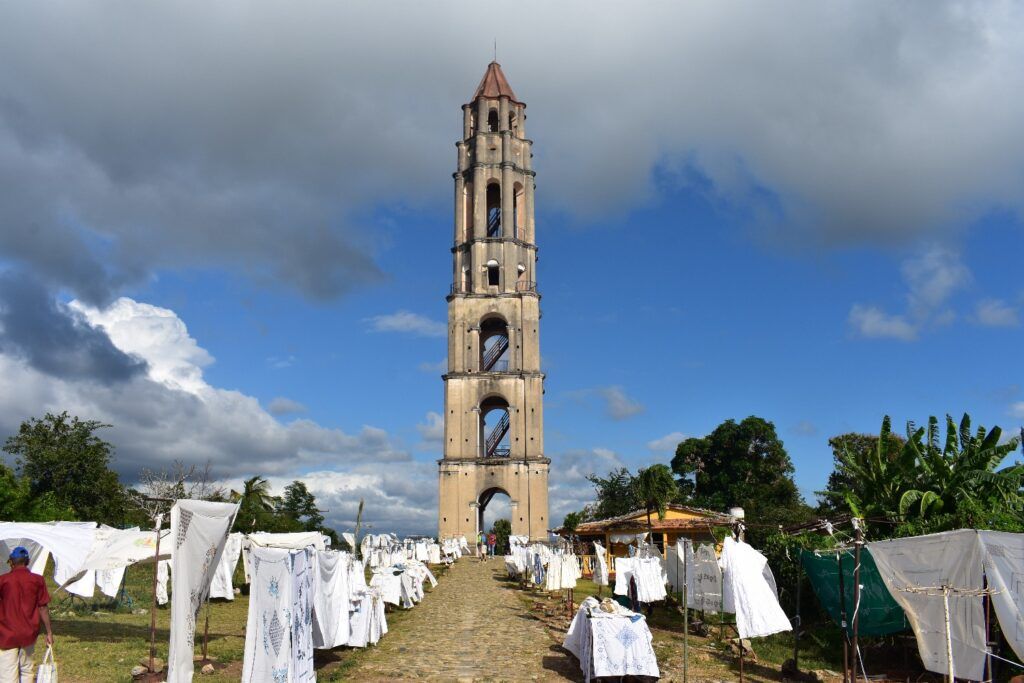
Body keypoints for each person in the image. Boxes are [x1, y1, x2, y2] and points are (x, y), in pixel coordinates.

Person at [0, 546, 53, 682]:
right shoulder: (38, 580)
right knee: (27, 669)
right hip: (29, 632)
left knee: (8, 673)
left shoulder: (3, 580)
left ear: (11, 562)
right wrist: (49, 632)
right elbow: (43, 608)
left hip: (6, 633)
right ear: (28, 561)